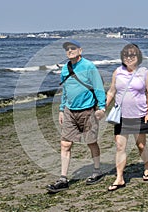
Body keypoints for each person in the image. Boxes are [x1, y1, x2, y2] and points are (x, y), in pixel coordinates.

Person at [46, 40, 106, 193]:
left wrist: (102, 107)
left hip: (88, 110)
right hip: (69, 111)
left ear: (80, 50)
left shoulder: (89, 66)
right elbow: (65, 90)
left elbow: (98, 87)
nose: (69, 51)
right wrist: (61, 109)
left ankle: (97, 171)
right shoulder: (66, 68)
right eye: (67, 49)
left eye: (73, 48)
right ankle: (63, 179)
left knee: (91, 142)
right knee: (65, 144)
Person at [105, 43, 148, 191]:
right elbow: (111, 92)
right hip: (122, 116)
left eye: (132, 55)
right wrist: (103, 106)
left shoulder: (145, 73)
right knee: (120, 147)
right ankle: (119, 178)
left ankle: (146, 166)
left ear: (138, 56)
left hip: (139, 114)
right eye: (126, 55)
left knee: (141, 145)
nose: (129, 57)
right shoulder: (117, 72)